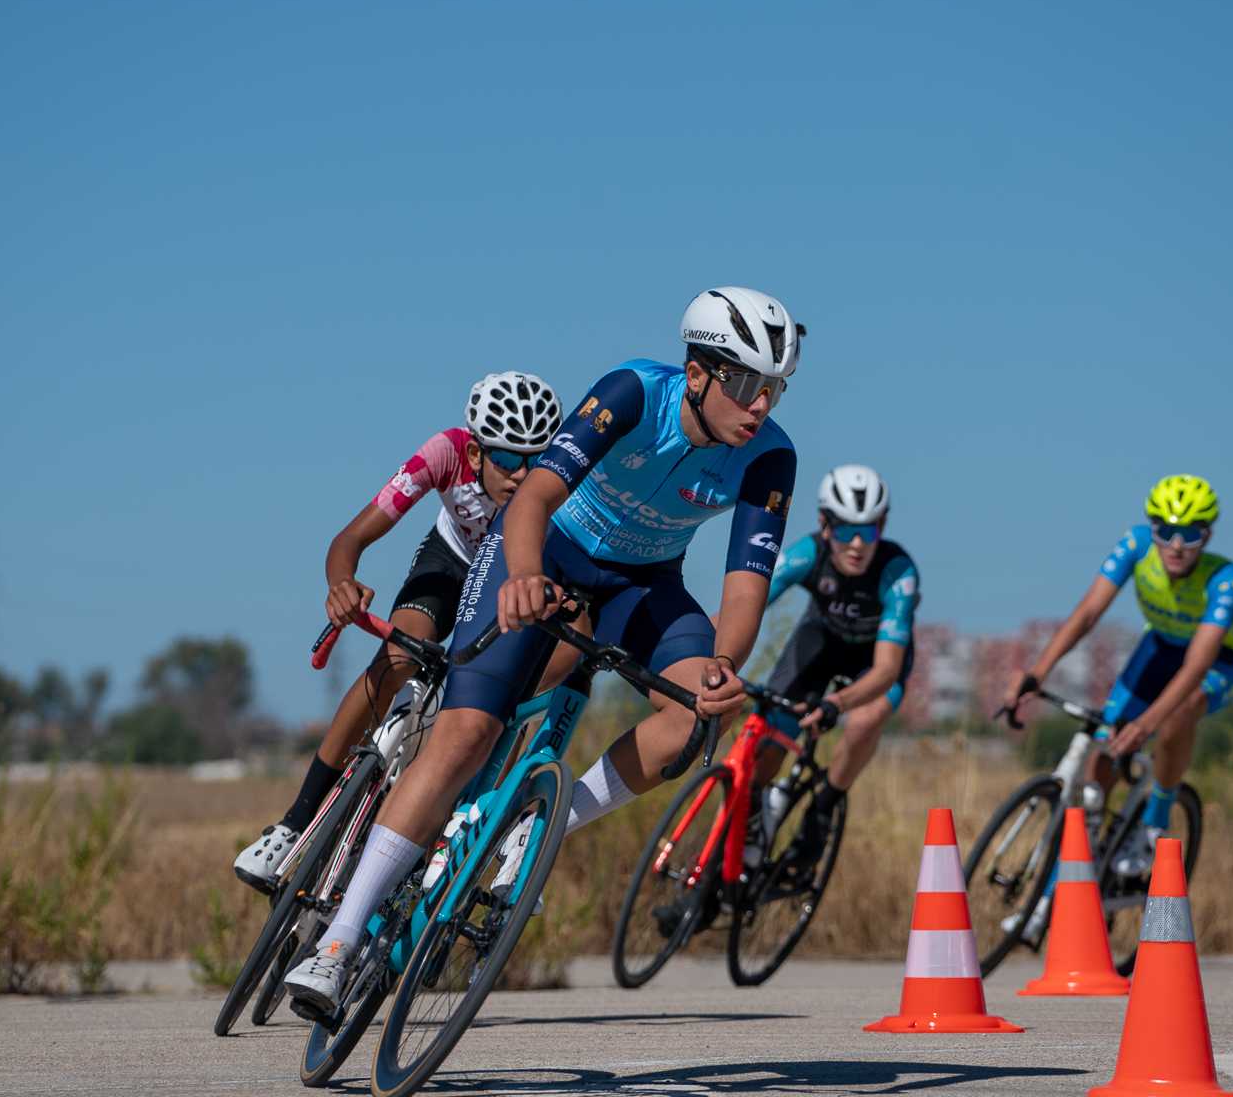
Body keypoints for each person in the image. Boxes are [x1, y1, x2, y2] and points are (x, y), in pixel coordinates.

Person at [284, 287, 802, 1015]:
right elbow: (532, 500)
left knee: (695, 717)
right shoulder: (630, 393)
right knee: (467, 732)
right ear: (697, 374)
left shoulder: (771, 458)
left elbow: (745, 590)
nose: (760, 406)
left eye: (773, 390)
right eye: (746, 385)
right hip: (545, 552)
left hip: (643, 583)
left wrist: (723, 671)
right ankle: (338, 941)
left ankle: (544, 821)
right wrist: (524, 577)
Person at [230, 372, 562, 893]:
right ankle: (294, 824)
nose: (522, 474)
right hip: (450, 563)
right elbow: (352, 536)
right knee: (397, 656)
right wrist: (342, 584)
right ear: (475, 454)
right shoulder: (443, 455)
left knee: (483, 712)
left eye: (534, 460)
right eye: (506, 458)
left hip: (503, 585)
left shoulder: (558, 484)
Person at [1005, 474, 1233, 891]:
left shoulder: (1224, 578)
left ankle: (1155, 820)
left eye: (1190, 534)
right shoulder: (1136, 546)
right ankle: (1090, 848)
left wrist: (1148, 724)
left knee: (1182, 709)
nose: (1176, 545)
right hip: (1159, 647)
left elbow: (1196, 665)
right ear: (1152, 529)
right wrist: (1037, 672)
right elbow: (1088, 613)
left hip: (1220, 662)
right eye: (1166, 531)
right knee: (1105, 745)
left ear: (1207, 535)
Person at [747, 464, 918, 863]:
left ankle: (822, 811)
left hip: (874, 661)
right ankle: (750, 825)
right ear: (825, 525)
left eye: (869, 530)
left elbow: (887, 671)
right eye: (845, 530)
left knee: (864, 721)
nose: (857, 544)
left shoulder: (898, 572)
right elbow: (747, 606)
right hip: (821, 642)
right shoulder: (808, 553)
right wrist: (708, 650)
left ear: (883, 525)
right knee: (771, 730)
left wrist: (836, 705)